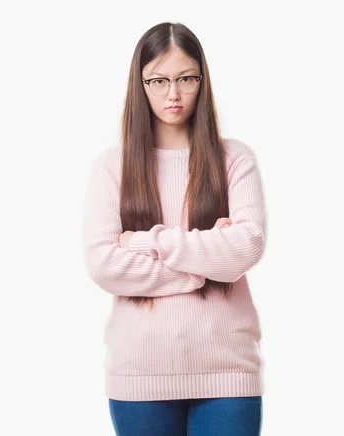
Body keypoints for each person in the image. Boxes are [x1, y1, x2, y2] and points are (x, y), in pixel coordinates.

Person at [81, 21, 267, 436]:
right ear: (140, 83)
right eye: (159, 80)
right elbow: (104, 265)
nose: (174, 93)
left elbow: (246, 247)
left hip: (227, 373)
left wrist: (148, 240)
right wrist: (210, 260)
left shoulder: (234, 158)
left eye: (186, 78)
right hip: (140, 377)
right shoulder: (114, 166)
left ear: (202, 79)